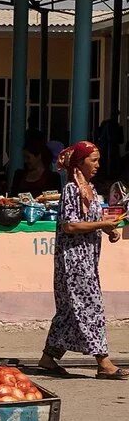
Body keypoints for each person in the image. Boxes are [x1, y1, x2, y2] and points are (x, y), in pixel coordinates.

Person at [38, 141, 127, 380]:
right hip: (73, 262)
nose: (97, 165)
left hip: (87, 259)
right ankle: (103, 361)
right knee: (91, 308)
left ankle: (49, 357)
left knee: (69, 311)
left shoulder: (90, 189)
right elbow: (70, 225)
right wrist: (102, 225)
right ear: (80, 162)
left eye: (98, 160)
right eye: (93, 160)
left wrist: (109, 229)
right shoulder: (71, 190)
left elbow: (92, 219)